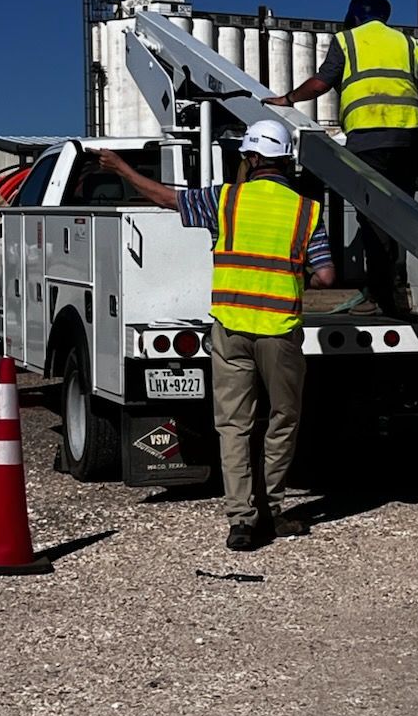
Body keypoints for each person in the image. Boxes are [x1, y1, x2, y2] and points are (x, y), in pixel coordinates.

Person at [92, 120, 336, 552]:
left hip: (231, 328)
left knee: (234, 426)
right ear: (286, 160)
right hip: (279, 331)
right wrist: (294, 275)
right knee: (283, 419)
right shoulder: (307, 210)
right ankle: (272, 510)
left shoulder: (225, 200)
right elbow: (326, 275)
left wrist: (122, 169)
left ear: (253, 159)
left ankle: (241, 520)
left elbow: (167, 198)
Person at [263, 0, 418, 316]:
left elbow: (320, 83)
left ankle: (381, 297)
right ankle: (394, 290)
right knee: (400, 218)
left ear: (354, 17)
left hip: (368, 142)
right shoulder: (408, 44)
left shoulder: (346, 40)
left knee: (373, 219)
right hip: (407, 143)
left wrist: (288, 99)